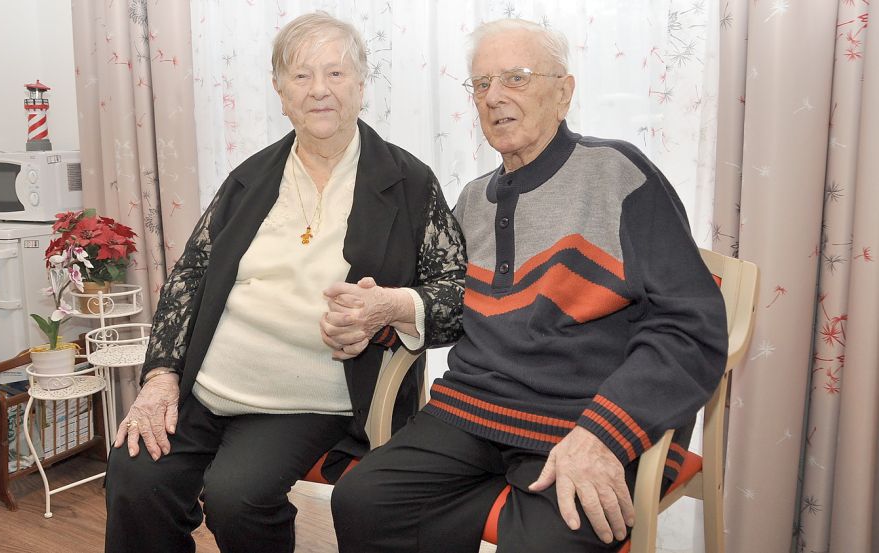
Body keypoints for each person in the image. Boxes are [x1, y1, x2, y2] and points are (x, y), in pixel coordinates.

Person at [330, 18, 728, 553]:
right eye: (480, 84)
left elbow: (690, 325)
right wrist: (383, 312)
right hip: (473, 412)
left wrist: (603, 434)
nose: (494, 97)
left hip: (584, 418)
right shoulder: (473, 200)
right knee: (362, 500)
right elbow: (449, 307)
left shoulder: (618, 175)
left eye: (515, 78)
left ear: (562, 93)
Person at [103, 12, 465, 553]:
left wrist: (392, 305)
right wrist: (160, 378)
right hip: (207, 385)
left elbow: (457, 293)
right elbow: (189, 278)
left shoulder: (408, 182)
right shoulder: (250, 177)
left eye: (336, 74)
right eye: (301, 76)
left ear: (362, 85)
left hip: (307, 399)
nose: (319, 90)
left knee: (236, 495)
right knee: (134, 477)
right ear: (279, 91)